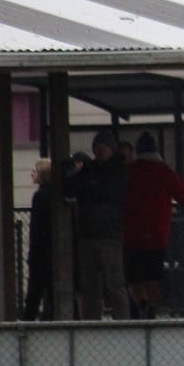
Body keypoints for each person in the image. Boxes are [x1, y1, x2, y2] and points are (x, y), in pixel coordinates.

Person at [123, 132, 184, 319]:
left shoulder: (129, 171)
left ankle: (141, 303)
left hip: (131, 235)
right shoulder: (163, 171)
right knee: (153, 277)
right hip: (157, 235)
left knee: (133, 279)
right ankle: (152, 308)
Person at [67, 132, 130, 320]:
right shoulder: (96, 170)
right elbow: (71, 188)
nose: (100, 152)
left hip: (107, 235)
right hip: (93, 234)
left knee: (113, 283)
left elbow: (86, 190)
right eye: (97, 149)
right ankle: (94, 322)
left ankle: (121, 323)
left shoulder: (115, 171)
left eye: (103, 148)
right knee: (91, 285)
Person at [22, 157, 58, 322]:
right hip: (52, 251)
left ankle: (28, 321)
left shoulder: (40, 196)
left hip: (40, 252)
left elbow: (37, 228)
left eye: (35, 171)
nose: (32, 174)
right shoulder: (55, 194)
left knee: (34, 291)